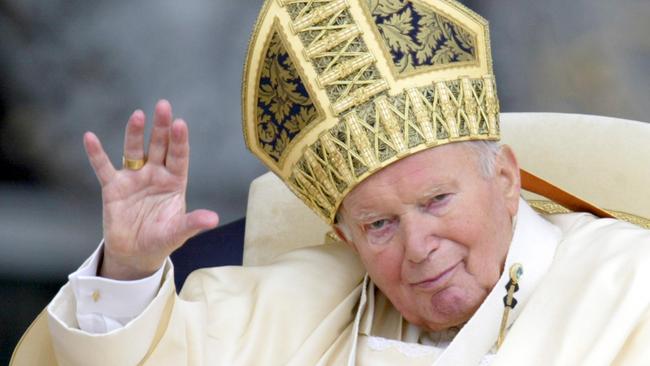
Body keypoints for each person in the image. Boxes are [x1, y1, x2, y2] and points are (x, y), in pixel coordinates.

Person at [11, 0, 650, 365]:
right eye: (379, 225)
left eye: (437, 201)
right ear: (343, 236)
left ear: (506, 180)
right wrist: (127, 267)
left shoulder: (630, 285)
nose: (418, 246)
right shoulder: (304, 300)